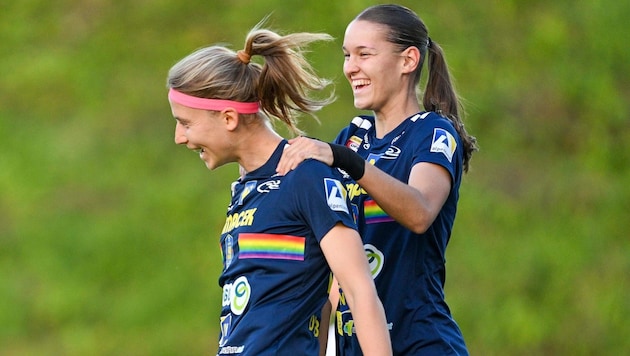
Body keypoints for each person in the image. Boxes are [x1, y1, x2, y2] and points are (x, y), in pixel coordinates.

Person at [166, 21, 392, 356]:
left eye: (185, 123)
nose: (179, 137)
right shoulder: (245, 187)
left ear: (228, 118)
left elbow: (359, 290)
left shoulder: (305, 176)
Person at [276, 4, 478, 355]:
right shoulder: (353, 136)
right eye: (347, 56)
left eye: (364, 54)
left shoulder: (433, 132)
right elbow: (333, 272)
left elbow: (420, 212)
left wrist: (346, 160)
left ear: (408, 60)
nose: (350, 67)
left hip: (420, 342)